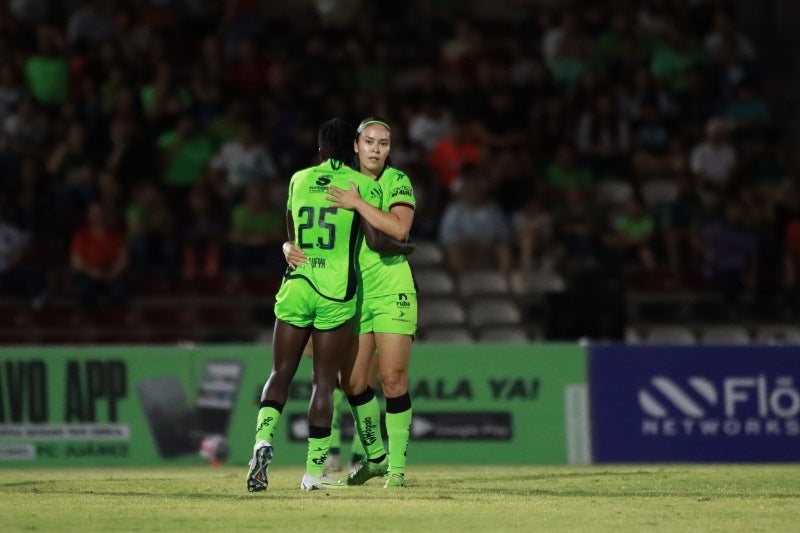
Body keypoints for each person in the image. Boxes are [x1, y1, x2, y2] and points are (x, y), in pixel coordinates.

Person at [246, 118, 412, 493]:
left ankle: (261, 441)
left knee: (280, 373)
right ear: (351, 147)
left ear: (319, 148)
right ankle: (313, 472)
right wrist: (403, 247)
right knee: (326, 384)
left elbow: (292, 237)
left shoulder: (298, 179)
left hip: (297, 285)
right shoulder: (358, 184)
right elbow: (375, 237)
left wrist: (287, 248)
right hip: (336, 294)